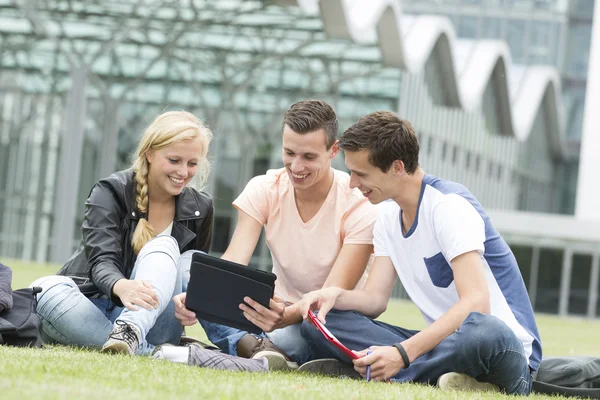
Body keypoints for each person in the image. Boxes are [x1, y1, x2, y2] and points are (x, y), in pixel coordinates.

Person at [297, 111, 542, 395]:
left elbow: (476, 303)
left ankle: (378, 368)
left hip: (504, 350)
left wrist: (402, 353)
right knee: (320, 323)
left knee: (484, 330)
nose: (352, 183)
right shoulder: (386, 217)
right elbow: (375, 299)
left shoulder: (449, 206)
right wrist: (333, 296)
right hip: (442, 346)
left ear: (397, 167)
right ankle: (431, 374)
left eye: (360, 174)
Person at [173, 100, 379, 367]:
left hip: (326, 320)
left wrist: (285, 316)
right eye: (289, 152)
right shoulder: (265, 187)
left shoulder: (358, 203)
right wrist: (200, 296)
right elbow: (234, 261)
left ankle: (255, 347)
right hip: (270, 316)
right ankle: (260, 348)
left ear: (333, 150)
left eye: (308, 157)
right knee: (194, 272)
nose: (295, 166)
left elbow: (333, 293)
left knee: (307, 333)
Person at [30, 110, 214, 355]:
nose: (183, 172)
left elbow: (193, 276)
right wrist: (120, 285)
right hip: (91, 305)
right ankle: (155, 352)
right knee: (44, 289)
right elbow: (101, 260)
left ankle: (130, 332)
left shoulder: (201, 208)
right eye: (174, 161)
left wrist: (189, 302)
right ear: (149, 153)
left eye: (192, 164)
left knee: (166, 247)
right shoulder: (111, 191)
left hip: (154, 321)